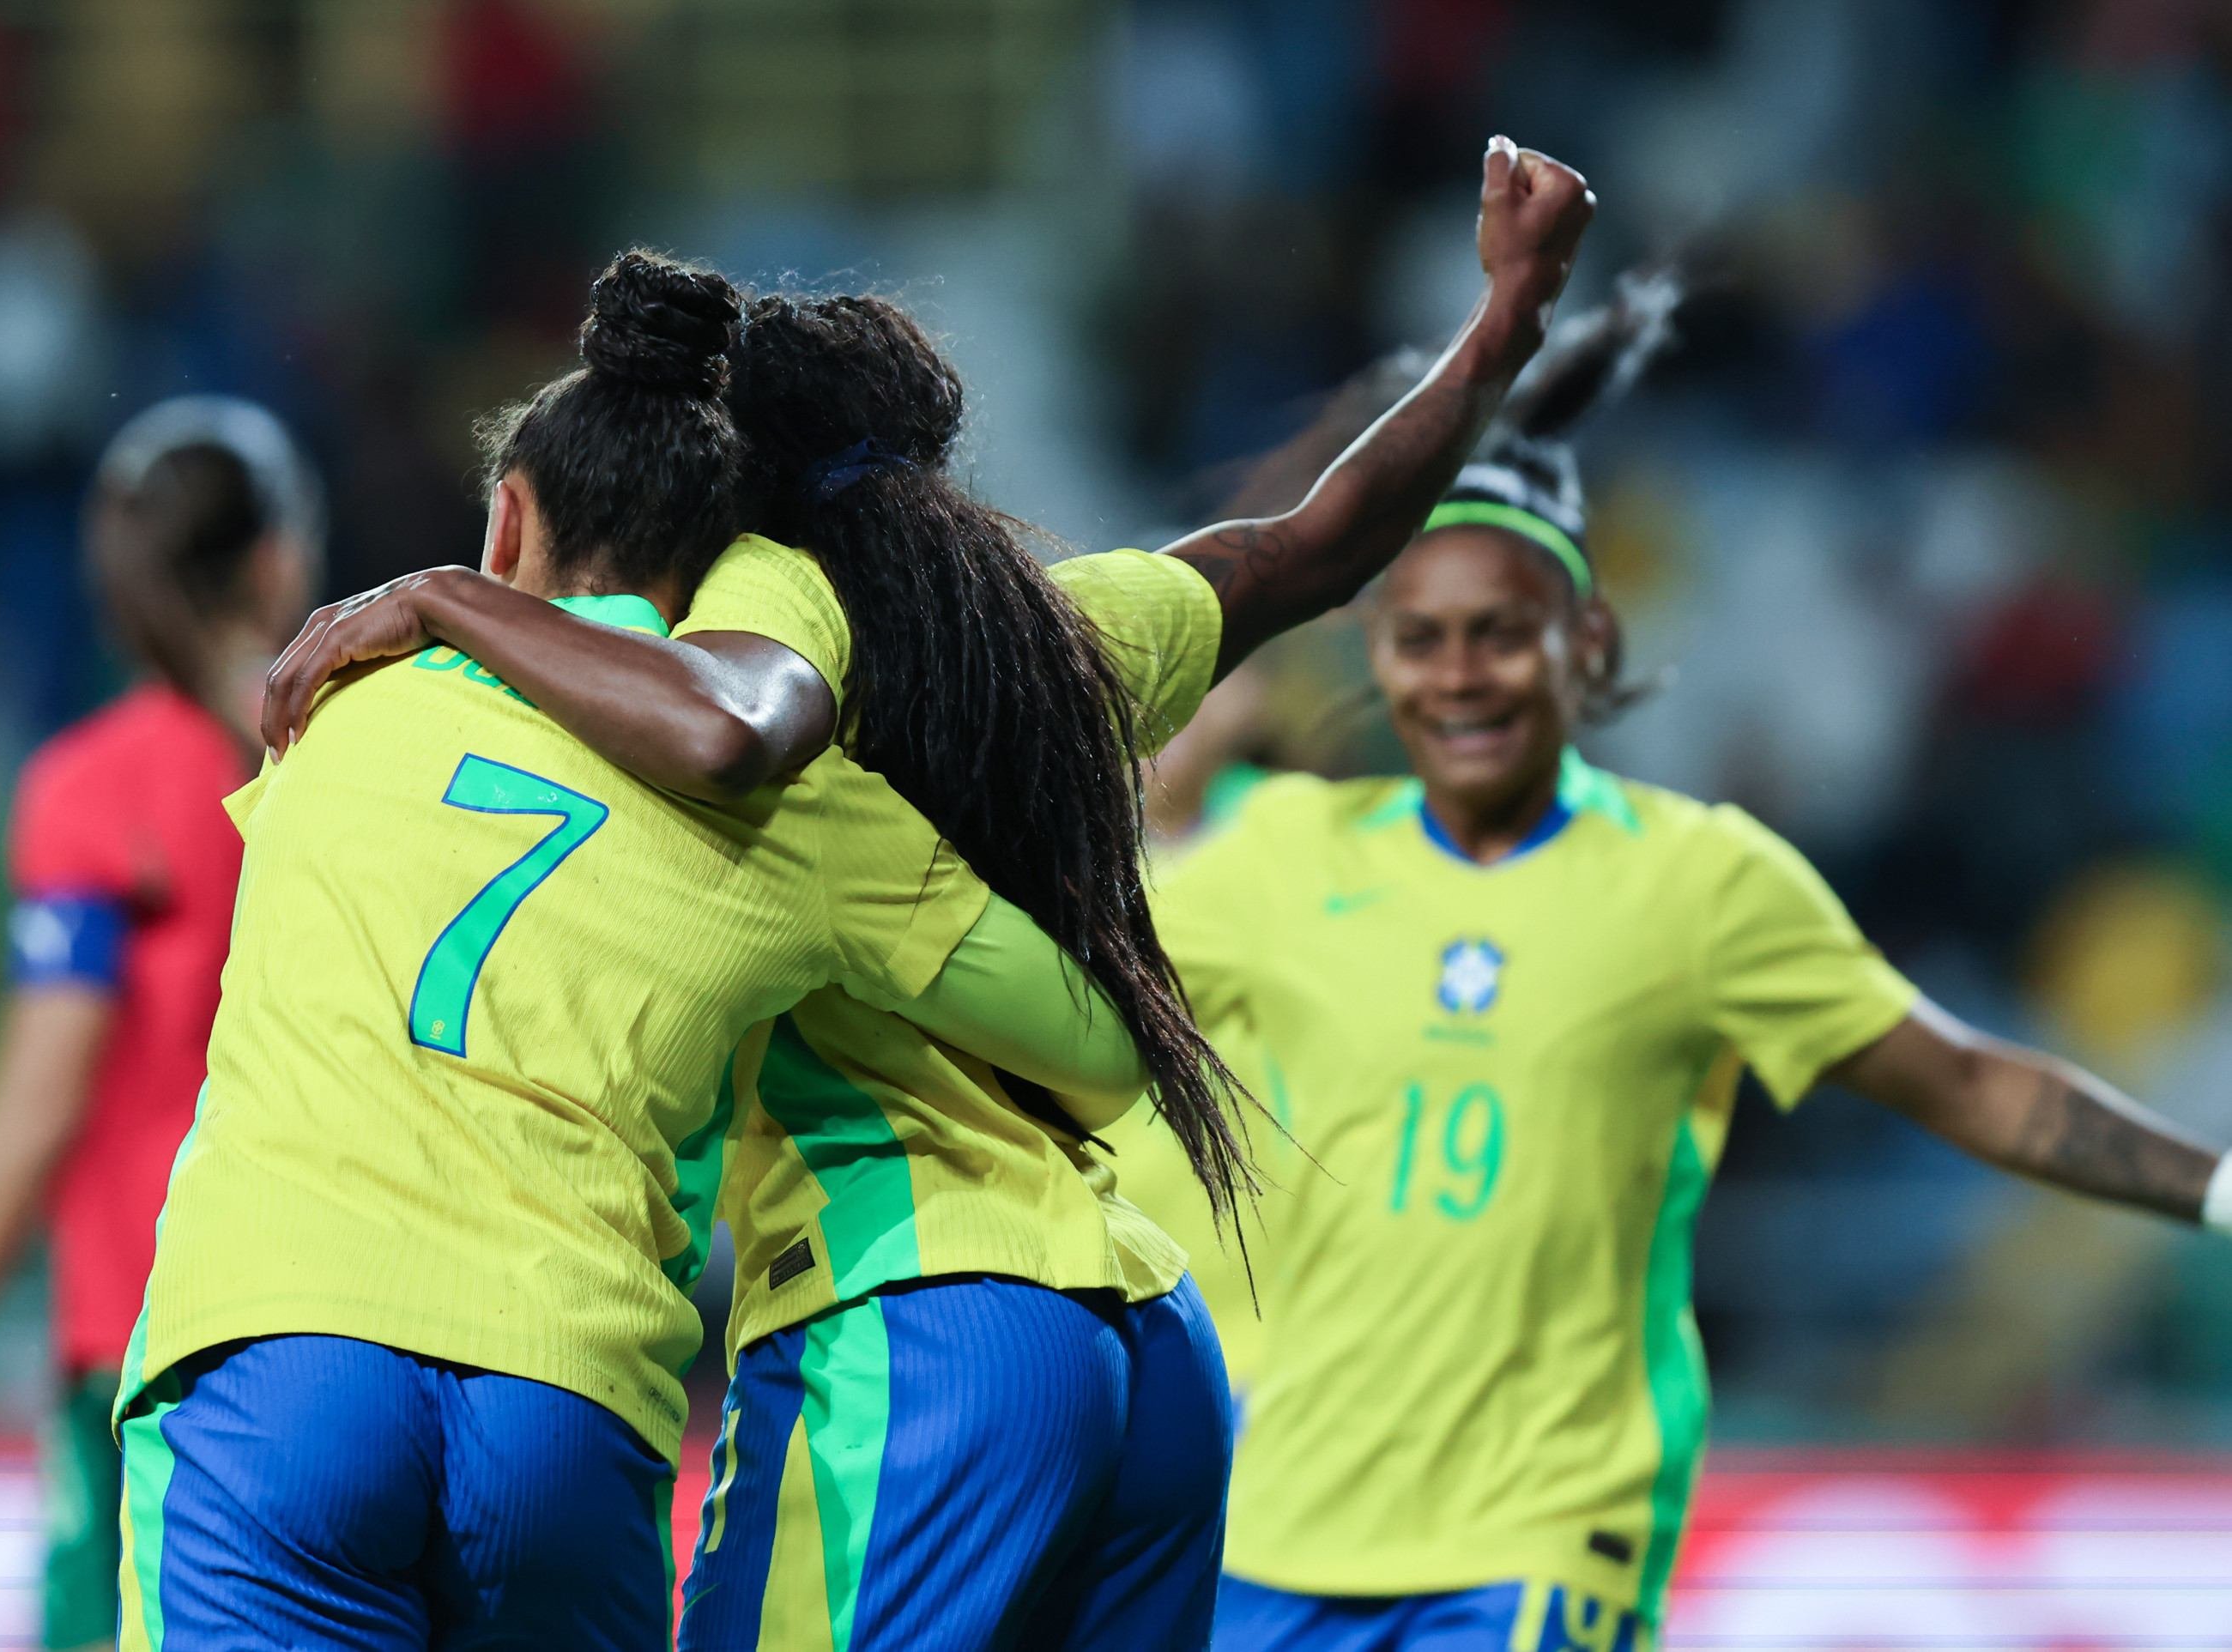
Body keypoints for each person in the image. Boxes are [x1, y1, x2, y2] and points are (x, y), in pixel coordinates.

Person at [261, 139, 1597, 1650]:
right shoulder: (1059, 632)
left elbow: (728, 728)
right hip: (1145, 1340)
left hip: (913, 1321)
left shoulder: (767, 651)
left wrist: (456, 594)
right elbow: (1321, 543)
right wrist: (1503, 327)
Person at [1111, 277, 2232, 1651]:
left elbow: (1966, 1081)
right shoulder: (1279, 856)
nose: (1460, 675)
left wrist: (2217, 1186)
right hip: (1272, 1529)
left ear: (1588, 643)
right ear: (1380, 662)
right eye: (1422, 639)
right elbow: (1034, 948)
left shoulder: (1700, 880)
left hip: (1534, 1537)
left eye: (1501, 634)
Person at [111, 251, 1158, 1652]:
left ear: (507, 522)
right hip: (566, 1391)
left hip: (277, 1349)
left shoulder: (339, 703)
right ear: (725, 582)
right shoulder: (792, 810)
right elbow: (1097, 1048)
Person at [0, 398, 321, 1652]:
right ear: (276, 558)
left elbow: (45, 1089)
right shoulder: (350, 761)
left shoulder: (93, 791)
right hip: (342, 1328)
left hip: (145, 1344)